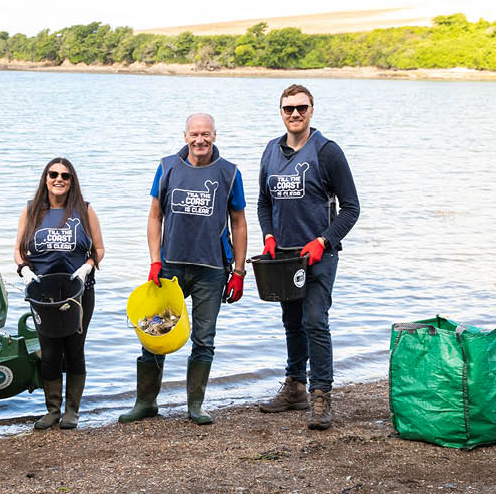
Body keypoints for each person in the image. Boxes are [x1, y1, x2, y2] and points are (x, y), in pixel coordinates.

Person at [119, 113, 247, 425]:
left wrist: (240, 272)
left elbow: (239, 222)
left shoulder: (229, 173)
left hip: (212, 269)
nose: (199, 140)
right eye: (194, 134)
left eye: (205, 134)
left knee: (204, 338)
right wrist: (154, 260)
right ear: (185, 135)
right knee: (154, 333)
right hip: (170, 267)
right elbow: (154, 216)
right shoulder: (167, 168)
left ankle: (195, 406)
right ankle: (145, 403)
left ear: (215, 135)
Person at [257, 85, 360, 430]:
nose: (295, 114)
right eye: (288, 109)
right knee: (292, 322)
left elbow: (351, 209)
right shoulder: (271, 151)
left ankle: (320, 396)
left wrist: (323, 240)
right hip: (284, 257)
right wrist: (269, 235)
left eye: (301, 107)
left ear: (312, 110)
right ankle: (295, 386)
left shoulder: (327, 152)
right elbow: (264, 203)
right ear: (281, 112)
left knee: (315, 321)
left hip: (319, 255)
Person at [14, 158, 104, 430]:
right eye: (53, 174)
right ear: (46, 178)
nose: (59, 179)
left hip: (78, 291)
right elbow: (18, 249)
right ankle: (52, 410)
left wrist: (88, 267)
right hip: (44, 295)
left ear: (72, 181)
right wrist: (24, 269)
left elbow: (98, 249)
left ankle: (72, 411)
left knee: (75, 349)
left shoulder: (85, 210)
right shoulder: (31, 211)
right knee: (50, 352)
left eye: (65, 175)